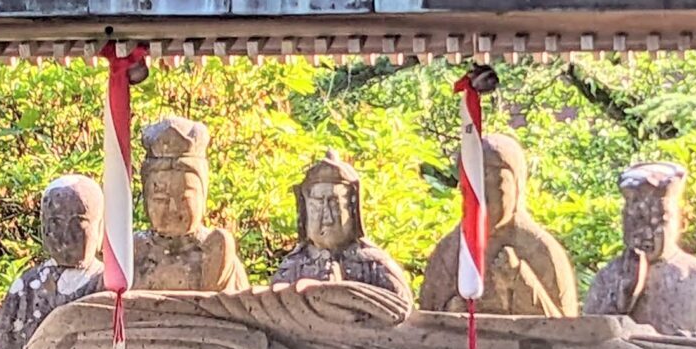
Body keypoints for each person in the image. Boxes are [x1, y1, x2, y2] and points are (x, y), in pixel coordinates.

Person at [418, 132, 577, 316]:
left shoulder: (541, 249)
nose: (482, 196)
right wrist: (453, 309)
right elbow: (425, 324)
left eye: (494, 181)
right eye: (473, 185)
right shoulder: (449, 252)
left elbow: (566, 330)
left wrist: (519, 278)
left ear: (516, 185)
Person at [586, 163, 696, 338]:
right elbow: (589, 341)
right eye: (636, 221)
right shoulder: (609, 276)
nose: (646, 232)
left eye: (658, 221)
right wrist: (619, 303)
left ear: (680, 222)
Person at [269, 151, 412, 308]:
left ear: (352, 209)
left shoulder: (375, 265)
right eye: (317, 204)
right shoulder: (292, 267)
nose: (327, 216)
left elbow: (402, 312)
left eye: (334, 204)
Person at [0, 175, 106, 349]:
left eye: (78, 223)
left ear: (100, 228)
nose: (65, 235)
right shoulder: (27, 287)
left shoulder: (108, 283)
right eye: (55, 222)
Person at [131, 115, 248, 292]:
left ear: (203, 197)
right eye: (160, 199)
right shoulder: (134, 253)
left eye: (185, 198)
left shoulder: (215, 252)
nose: (173, 209)